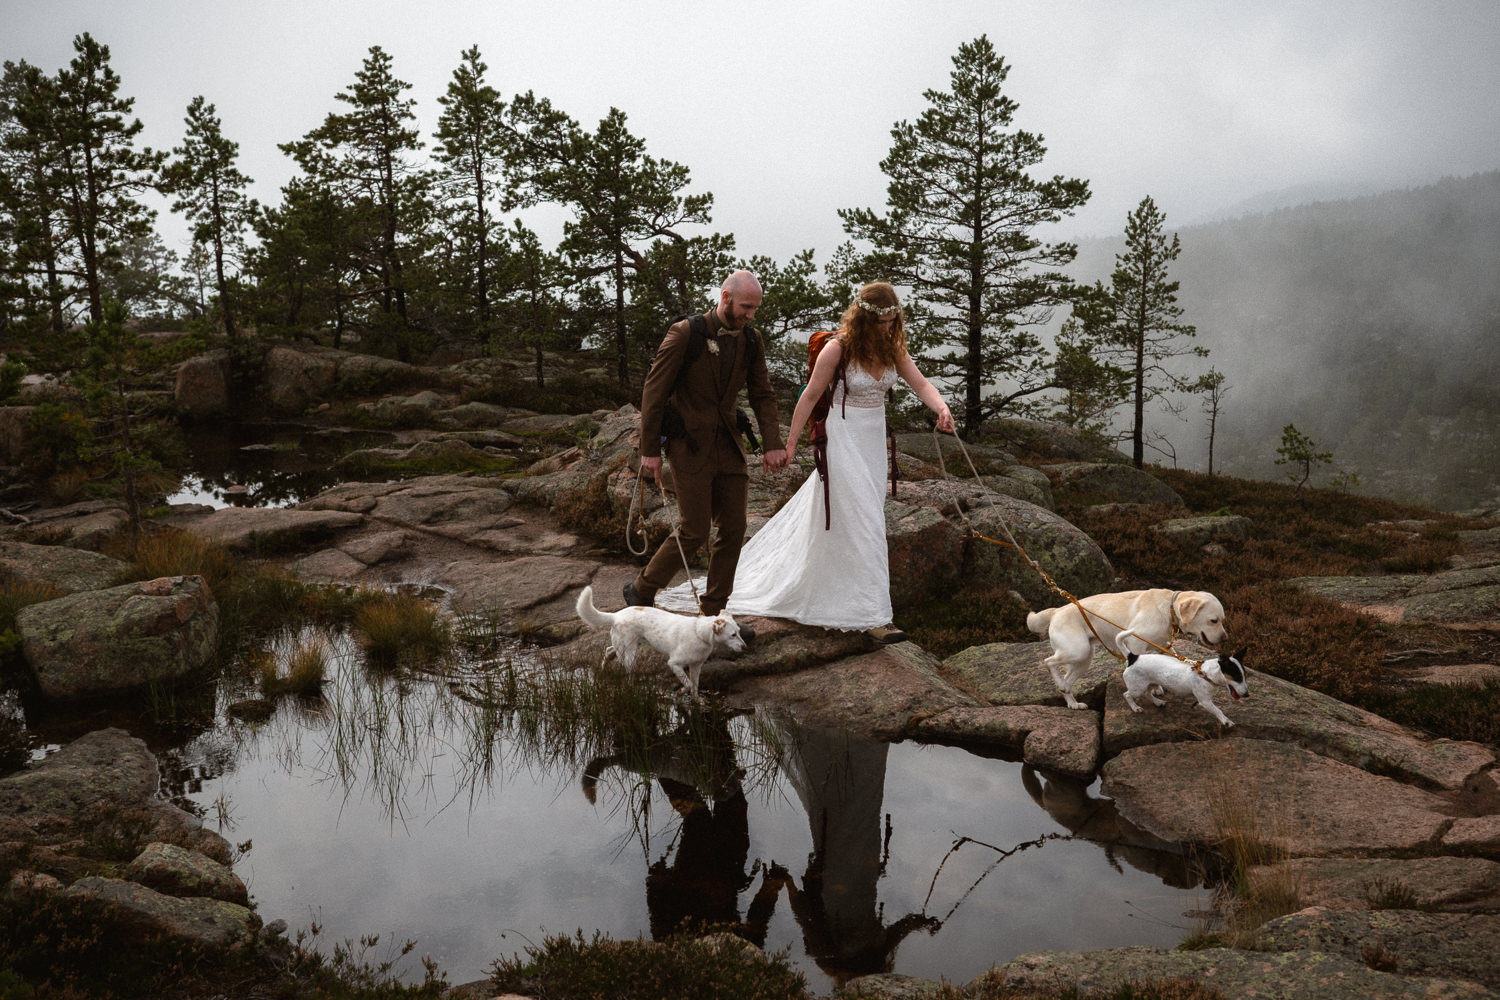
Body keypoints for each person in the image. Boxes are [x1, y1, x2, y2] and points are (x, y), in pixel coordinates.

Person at [660, 281, 954, 643]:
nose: (888, 328)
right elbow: (809, 397)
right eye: (882, 322)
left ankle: (835, 592)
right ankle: (876, 616)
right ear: (864, 318)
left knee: (860, 518)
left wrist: (940, 407)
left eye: (893, 321)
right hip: (841, 439)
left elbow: (921, 383)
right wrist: (790, 444)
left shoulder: (892, 349)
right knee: (867, 522)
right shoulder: (837, 349)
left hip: (872, 442)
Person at [624, 270, 788, 638]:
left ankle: (713, 614)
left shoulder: (752, 339)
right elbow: (654, 391)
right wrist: (649, 450)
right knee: (695, 529)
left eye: (756, 309)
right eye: (746, 307)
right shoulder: (687, 333)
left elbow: (762, 393)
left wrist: (773, 443)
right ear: (726, 297)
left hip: (729, 446)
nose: (751, 315)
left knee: (734, 527)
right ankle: (642, 589)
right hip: (688, 446)